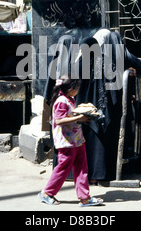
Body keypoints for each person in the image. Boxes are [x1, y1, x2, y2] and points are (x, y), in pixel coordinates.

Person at [76, 29, 141, 183]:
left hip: (83, 108)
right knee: (102, 141)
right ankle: (101, 174)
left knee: (88, 140)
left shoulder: (81, 61)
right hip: (104, 108)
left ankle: (86, 176)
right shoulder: (107, 61)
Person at [38, 76, 103, 207]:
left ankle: (84, 197)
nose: (78, 90)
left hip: (76, 139)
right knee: (63, 167)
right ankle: (47, 192)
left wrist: (83, 118)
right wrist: (79, 117)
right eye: (77, 87)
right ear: (71, 88)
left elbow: (69, 117)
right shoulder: (61, 101)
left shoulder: (70, 99)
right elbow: (59, 120)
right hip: (66, 141)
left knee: (81, 168)